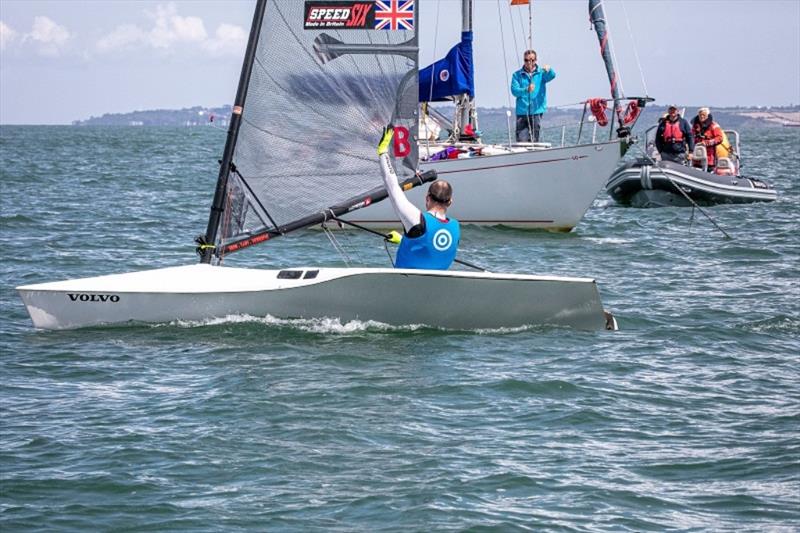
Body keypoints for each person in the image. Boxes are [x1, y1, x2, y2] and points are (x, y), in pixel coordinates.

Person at [377, 126, 460, 270]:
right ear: (450, 202)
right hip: (434, 289)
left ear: (427, 198)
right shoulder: (455, 228)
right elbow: (430, 250)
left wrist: (383, 152)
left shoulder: (417, 221)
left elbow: (392, 186)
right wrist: (404, 240)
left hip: (404, 286)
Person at [510, 50, 556, 143]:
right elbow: (514, 91)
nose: (529, 62)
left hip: (536, 111)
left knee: (534, 140)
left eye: (531, 60)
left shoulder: (541, 73)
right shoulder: (517, 75)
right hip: (522, 112)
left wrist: (549, 69)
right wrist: (526, 89)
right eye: (526, 60)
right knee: (521, 140)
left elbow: (552, 76)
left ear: (536, 60)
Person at [690, 107, 725, 172]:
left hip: (709, 158)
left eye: (704, 115)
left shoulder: (713, 126)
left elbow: (719, 138)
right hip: (696, 157)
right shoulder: (695, 126)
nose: (702, 116)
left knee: (709, 170)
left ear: (707, 115)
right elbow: (690, 137)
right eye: (700, 115)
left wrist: (706, 143)